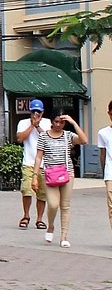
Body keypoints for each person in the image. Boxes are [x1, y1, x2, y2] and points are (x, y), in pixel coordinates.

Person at [33, 113, 88, 247]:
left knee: (65, 206)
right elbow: (39, 157)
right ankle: (51, 225)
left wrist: (73, 122)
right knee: (53, 204)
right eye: (56, 122)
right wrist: (35, 176)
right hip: (50, 174)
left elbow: (84, 140)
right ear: (52, 122)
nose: (58, 124)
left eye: (62, 122)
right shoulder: (44, 136)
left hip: (67, 173)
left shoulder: (68, 135)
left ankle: (64, 236)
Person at [15, 98, 50, 230]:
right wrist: (31, 125)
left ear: (42, 112)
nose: (36, 114)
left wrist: (37, 126)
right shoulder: (23, 123)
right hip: (28, 162)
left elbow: (48, 139)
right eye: (34, 111)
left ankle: (39, 219)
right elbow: (20, 138)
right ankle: (26, 215)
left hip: (44, 164)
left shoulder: (47, 123)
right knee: (27, 190)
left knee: (42, 193)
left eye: (38, 112)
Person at [98, 100, 112, 235]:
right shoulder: (103, 133)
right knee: (111, 206)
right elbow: (102, 154)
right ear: (109, 114)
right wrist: (104, 173)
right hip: (110, 173)